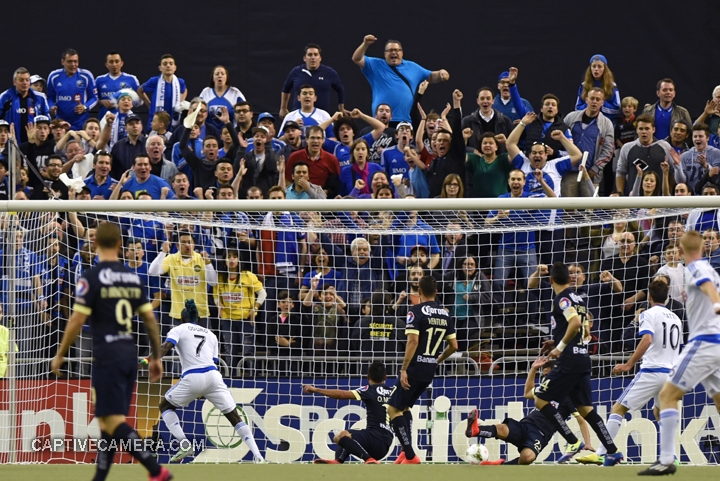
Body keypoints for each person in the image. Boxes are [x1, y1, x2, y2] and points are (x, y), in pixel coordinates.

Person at [50, 221, 171, 481]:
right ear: (120, 245)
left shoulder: (91, 278)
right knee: (107, 421)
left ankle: (156, 470)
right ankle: (100, 476)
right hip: (130, 353)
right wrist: (156, 357)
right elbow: (150, 319)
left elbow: (76, 321)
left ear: (94, 243)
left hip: (107, 355)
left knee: (113, 421)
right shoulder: (132, 277)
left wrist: (60, 353)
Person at [638, 231, 720, 475]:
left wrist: (716, 302)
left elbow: (707, 285)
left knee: (666, 396)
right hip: (716, 343)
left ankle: (665, 460)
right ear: (704, 248)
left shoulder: (697, 269)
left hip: (703, 342)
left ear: (682, 252)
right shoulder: (710, 269)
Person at [145, 300, 264, 463]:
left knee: (165, 406)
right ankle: (258, 456)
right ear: (198, 319)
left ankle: (185, 444)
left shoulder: (178, 329)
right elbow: (214, 361)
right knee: (234, 416)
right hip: (213, 377)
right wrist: (205, 390)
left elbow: (165, 347)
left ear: (181, 319)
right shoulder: (211, 334)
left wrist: (147, 360)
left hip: (192, 376)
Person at [577, 280, 682, 465]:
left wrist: (628, 364)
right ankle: (671, 456)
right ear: (667, 297)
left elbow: (647, 339)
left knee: (618, 408)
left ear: (649, 296)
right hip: (671, 373)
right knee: (660, 413)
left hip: (652, 370)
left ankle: (602, 453)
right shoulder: (676, 319)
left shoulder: (648, 314)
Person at [533, 262, 624, 466]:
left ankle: (573, 442)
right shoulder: (579, 299)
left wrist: (560, 347)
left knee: (540, 399)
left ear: (551, 280)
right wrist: (556, 341)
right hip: (582, 358)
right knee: (585, 409)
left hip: (569, 361)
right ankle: (613, 451)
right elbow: (581, 327)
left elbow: (574, 323)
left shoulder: (562, 299)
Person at [466, 356, 592, 465]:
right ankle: (476, 430)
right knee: (502, 428)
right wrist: (533, 369)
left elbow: (581, 420)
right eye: (543, 375)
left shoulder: (568, 396)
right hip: (526, 424)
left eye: (548, 375)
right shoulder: (545, 390)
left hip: (541, 434)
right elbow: (527, 393)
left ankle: (501, 466)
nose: (545, 378)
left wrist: (587, 443)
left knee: (527, 457)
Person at [387, 275, 458, 464]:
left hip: (415, 367)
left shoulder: (415, 311)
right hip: (429, 369)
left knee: (393, 409)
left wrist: (404, 369)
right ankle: (405, 449)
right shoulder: (445, 314)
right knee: (405, 407)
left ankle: (410, 455)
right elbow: (454, 345)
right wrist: (438, 359)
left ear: (419, 291)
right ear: (436, 292)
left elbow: (413, 341)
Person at [304, 360, 393, 464]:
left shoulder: (369, 390)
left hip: (373, 439)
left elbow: (342, 394)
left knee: (340, 436)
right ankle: (338, 460)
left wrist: (316, 390)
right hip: (386, 443)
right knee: (350, 433)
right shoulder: (393, 392)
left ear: (368, 377)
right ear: (385, 377)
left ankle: (368, 459)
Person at [352, 35, 449, 123]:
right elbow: (356, 59)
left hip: (405, 121)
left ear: (402, 53)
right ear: (385, 54)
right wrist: (365, 44)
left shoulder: (412, 67)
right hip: (381, 121)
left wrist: (441, 73)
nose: (394, 52)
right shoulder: (376, 65)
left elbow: (431, 76)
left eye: (397, 50)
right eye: (390, 50)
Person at [213, 249, 266, 377]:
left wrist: (255, 307)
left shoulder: (247, 275)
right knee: (230, 350)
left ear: (239, 260)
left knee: (248, 351)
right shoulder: (220, 278)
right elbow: (216, 295)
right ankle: (231, 377)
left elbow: (262, 293)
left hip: (246, 320)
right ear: (224, 260)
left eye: (235, 257)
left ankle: (252, 377)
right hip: (228, 320)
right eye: (229, 257)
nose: (232, 259)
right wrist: (218, 304)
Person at [149, 230, 218, 328]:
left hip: (200, 313)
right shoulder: (171, 258)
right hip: (178, 314)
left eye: (189, 242)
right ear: (177, 246)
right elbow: (152, 272)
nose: (187, 245)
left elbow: (213, 283)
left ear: (194, 245)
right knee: (177, 343)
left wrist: (208, 264)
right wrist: (163, 252)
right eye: (183, 242)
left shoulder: (201, 259)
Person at [281, 43, 345, 116]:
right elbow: (286, 89)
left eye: (316, 54)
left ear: (320, 58)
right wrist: (283, 108)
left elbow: (340, 89)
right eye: (310, 55)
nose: (313, 57)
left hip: (322, 117)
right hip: (298, 116)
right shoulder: (296, 72)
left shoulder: (329, 73)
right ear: (304, 58)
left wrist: (341, 108)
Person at [46, 49, 98, 130]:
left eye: (75, 61)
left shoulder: (86, 75)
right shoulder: (54, 76)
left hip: (81, 122)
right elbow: (50, 97)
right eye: (69, 61)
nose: (73, 64)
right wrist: (51, 106)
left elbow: (94, 98)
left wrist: (85, 107)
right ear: (62, 62)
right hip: (60, 122)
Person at [137, 54, 188, 131]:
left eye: (171, 64)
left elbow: (184, 90)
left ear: (175, 68)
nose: (168, 66)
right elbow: (140, 90)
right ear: (160, 68)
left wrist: (181, 102)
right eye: (165, 64)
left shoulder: (180, 82)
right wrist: (149, 104)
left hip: (173, 119)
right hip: (156, 120)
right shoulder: (154, 81)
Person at [0, 67, 50, 143]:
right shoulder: (5, 97)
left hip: (35, 143)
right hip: (12, 143)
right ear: (14, 82)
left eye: (27, 80)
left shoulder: (40, 98)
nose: (25, 83)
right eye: (21, 80)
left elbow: (47, 120)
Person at [641, 79, 693, 143]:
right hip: (652, 148)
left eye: (671, 90)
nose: (668, 92)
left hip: (673, 150)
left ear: (674, 93)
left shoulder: (683, 112)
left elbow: (690, 133)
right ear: (658, 93)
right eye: (665, 90)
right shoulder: (647, 111)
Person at [574, 54, 621, 123]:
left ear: (604, 68)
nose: (596, 69)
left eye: (599, 66)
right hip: (586, 122)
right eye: (593, 66)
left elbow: (617, 109)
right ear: (590, 68)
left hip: (606, 122)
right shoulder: (584, 85)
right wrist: (589, 105)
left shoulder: (612, 86)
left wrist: (600, 104)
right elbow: (577, 108)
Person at [95, 51, 141, 120]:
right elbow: (93, 99)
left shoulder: (131, 79)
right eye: (111, 62)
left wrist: (126, 103)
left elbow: (140, 101)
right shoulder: (99, 80)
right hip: (104, 119)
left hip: (126, 120)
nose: (114, 64)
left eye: (117, 61)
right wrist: (102, 102)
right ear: (106, 64)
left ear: (122, 63)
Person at [200, 66, 245, 132]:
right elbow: (197, 111)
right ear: (213, 78)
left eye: (222, 74)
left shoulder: (235, 93)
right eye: (217, 74)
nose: (219, 76)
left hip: (230, 133)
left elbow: (245, 111)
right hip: (209, 134)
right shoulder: (206, 92)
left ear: (226, 77)